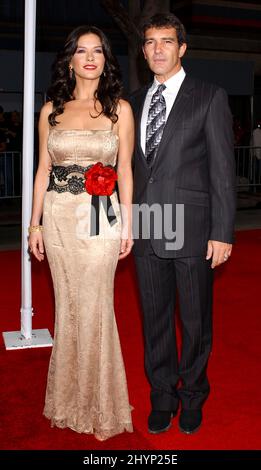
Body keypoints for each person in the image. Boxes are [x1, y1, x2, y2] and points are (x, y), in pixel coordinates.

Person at [129, 13, 236, 435]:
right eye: (150, 42)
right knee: (154, 320)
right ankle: (162, 396)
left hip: (192, 227)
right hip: (147, 223)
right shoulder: (132, 102)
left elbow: (223, 171)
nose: (158, 49)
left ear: (182, 48)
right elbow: (130, 170)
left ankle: (193, 395)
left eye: (166, 41)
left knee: (194, 322)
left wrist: (222, 232)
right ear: (143, 51)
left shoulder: (209, 96)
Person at [28, 25, 134, 441]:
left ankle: (100, 402)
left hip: (99, 216)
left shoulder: (119, 109)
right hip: (57, 216)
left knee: (96, 304)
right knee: (68, 306)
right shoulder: (51, 109)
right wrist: (34, 224)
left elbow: (125, 169)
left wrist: (130, 223)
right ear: (69, 58)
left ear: (106, 59)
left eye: (98, 51)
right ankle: (69, 400)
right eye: (82, 50)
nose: (90, 57)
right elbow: (42, 170)